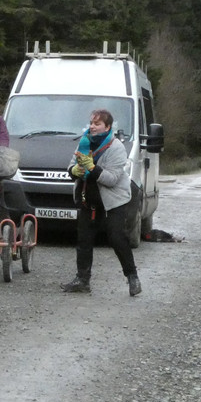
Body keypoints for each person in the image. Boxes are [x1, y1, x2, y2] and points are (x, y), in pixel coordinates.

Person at [60, 109, 142, 296]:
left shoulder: (116, 147)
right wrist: (75, 171)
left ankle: (132, 277)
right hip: (88, 200)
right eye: (91, 123)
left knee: (116, 238)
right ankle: (82, 280)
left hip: (113, 202)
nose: (92, 127)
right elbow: (71, 165)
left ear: (107, 127)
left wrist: (92, 168)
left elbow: (112, 179)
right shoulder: (84, 142)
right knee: (84, 239)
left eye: (97, 124)